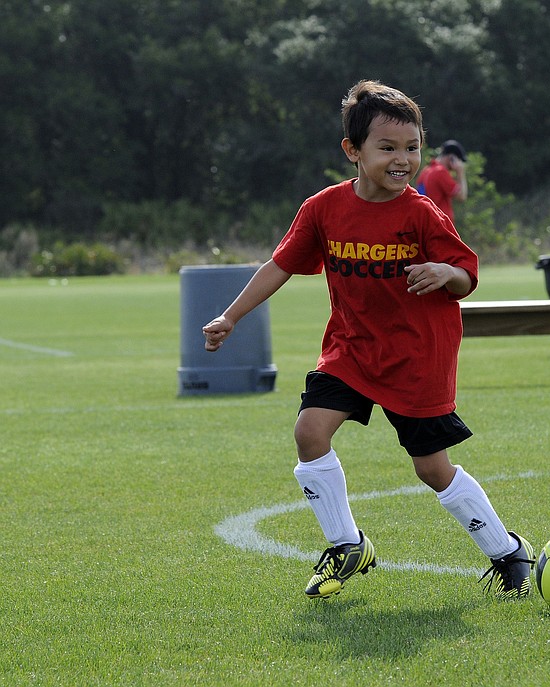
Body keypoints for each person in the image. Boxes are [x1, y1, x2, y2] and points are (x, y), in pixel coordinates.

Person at [202, 80, 533, 601]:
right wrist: (231, 317)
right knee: (310, 432)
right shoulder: (323, 209)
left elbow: (468, 277)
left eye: (412, 148)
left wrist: (444, 271)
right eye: (388, 148)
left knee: (432, 468)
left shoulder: (422, 212)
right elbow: (280, 265)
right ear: (353, 151)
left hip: (417, 357)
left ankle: (507, 552)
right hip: (352, 349)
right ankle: (347, 545)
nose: (403, 160)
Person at [416, 139, 468, 224]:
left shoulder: (426, 170)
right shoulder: (441, 172)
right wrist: (460, 173)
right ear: (452, 158)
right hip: (440, 225)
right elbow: (461, 197)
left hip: (427, 222)